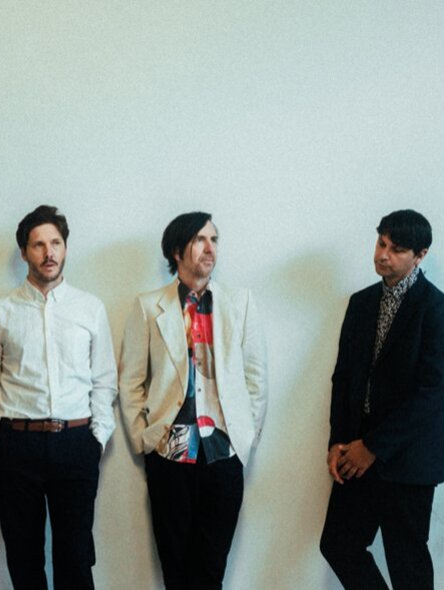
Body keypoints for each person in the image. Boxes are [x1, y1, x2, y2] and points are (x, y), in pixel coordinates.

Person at [0, 205, 117, 590]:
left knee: (76, 559)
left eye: (56, 243)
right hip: (16, 446)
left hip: (76, 444)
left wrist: (97, 438)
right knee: (24, 559)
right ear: (24, 253)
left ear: (65, 247)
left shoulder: (90, 308)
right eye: (38, 245)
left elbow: (104, 381)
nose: (49, 253)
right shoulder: (0, 313)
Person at [118, 211, 267, 589]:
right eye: (200, 240)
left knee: (212, 568)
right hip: (169, 454)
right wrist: (143, 439)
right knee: (176, 567)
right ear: (176, 250)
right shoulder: (148, 306)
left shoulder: (240, 302)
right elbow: (131, 380)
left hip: (224, 453)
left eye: (214, 239)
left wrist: (244, 436)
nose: (210, 248)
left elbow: (256, 377)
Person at [319, 209, 444, 589]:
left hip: (409, 458)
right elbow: (343, 378)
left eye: (396, 249)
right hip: (355, 451)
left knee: (407, 565)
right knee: (338, 545)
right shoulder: (361, 303)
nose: (383, 255)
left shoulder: (439, 311)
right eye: (381, 243)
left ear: (420, 255)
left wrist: (373, 447)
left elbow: (432, 394)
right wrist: (338, 441)